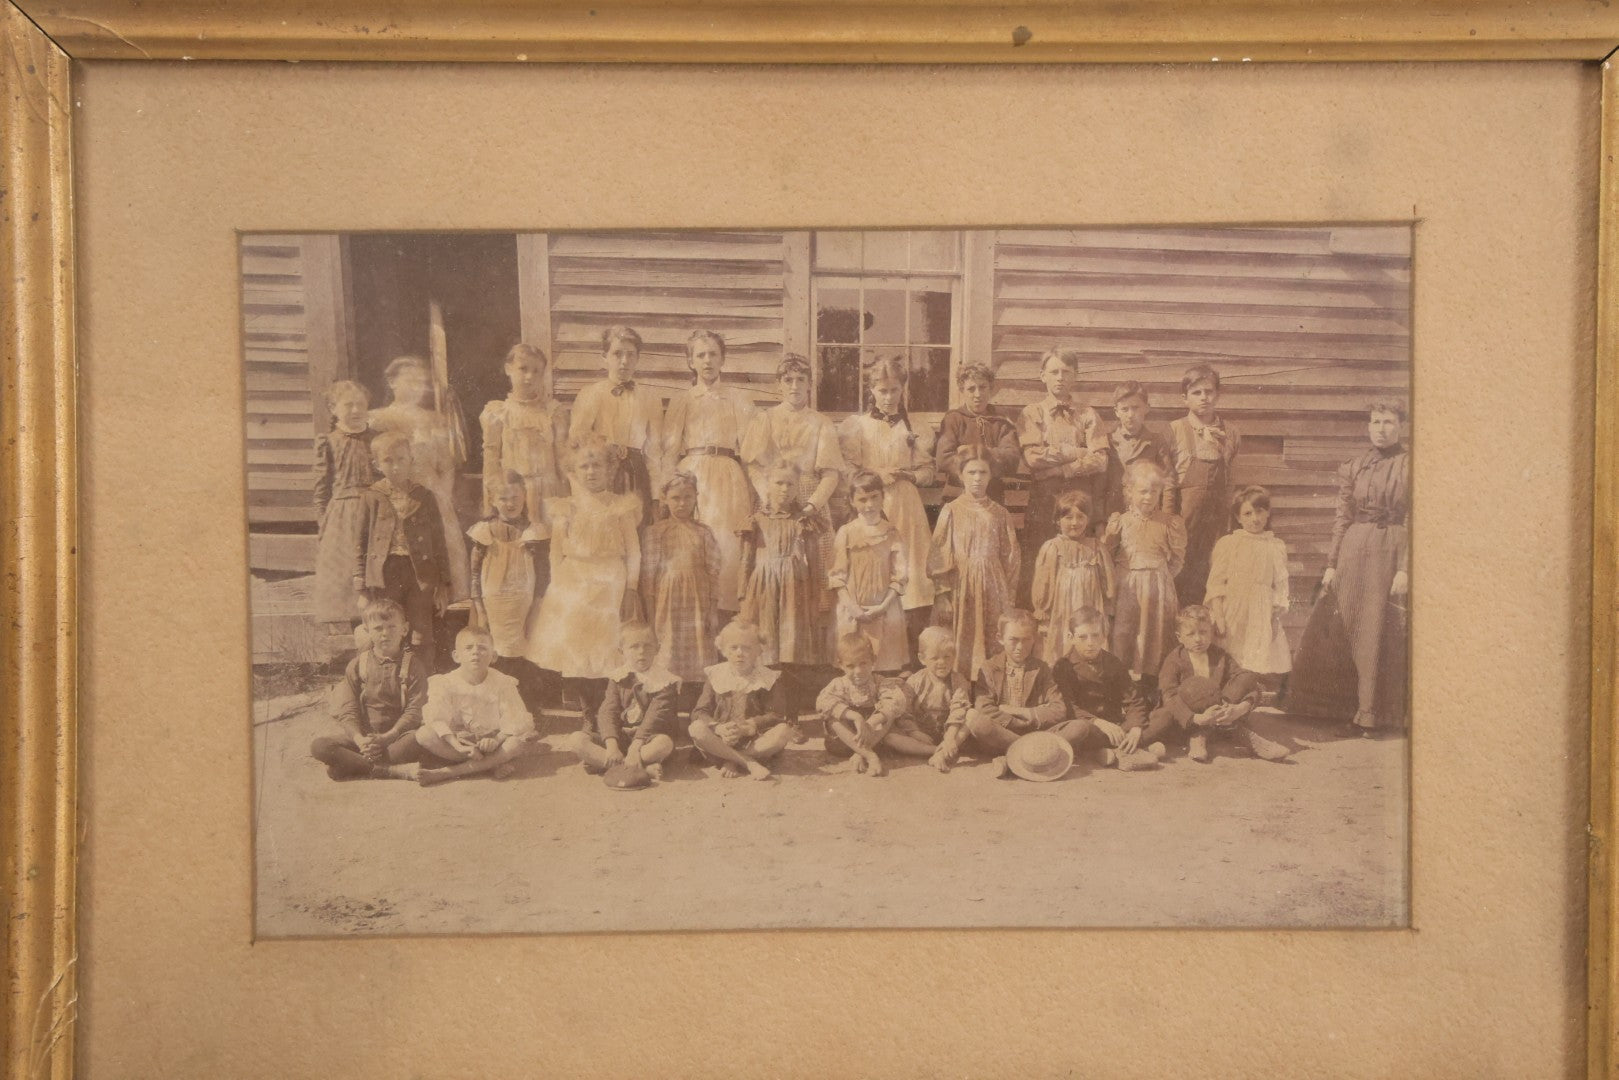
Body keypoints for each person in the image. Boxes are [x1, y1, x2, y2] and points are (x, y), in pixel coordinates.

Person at [1296, 402, 1410, 735]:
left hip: (1393, 550)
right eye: (1375, 421)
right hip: (1354, 551)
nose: (1381, 428)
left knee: (1380, 630)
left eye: (1389, 422)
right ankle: (1340, 710)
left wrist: (1406, 567)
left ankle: (1375, 713)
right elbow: (1342, 518)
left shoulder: (1412, 465)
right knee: (1348, 625)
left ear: (1401, 425)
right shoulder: (1355, 467)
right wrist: (1331, 564)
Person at [525, 433, 643, 725]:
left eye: (597, 466)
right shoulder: (565, 507)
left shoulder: (621, 505)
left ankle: (609, 715)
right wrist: (558, 589)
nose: (591, 472)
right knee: (577, 651)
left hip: (609, 581)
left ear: (610, 470)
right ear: (573, 472)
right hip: (574, 580)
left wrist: (631, 588)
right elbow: (555, 553)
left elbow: (634, 551)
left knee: (606, 650)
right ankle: (589, 716)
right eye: (584, 467)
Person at [740, 353, 846, 646]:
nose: (795, 386)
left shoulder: (820, 422)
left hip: (810, 499)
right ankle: (773, 643)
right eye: (788, 380)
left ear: (810, 385)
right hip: (775, 500)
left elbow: (831, 473)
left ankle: (813, 649)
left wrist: (811, 506)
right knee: (774, 571)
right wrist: (770, 498)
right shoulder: (766, 419)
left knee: (816, 573)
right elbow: (754, 466)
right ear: (779, 385)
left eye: (801, 380)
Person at [839, 354, 937, 643]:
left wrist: (909, 476)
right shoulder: (858, 426)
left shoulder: (913, 426)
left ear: (903, 390)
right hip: (871, 504)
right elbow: (849, 471)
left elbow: (928, 471)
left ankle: (907, 648)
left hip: (906, 506)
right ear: (871, 391)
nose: (889, 397)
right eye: (882, 391)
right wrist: (876, 475)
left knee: (911, 570)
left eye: (895, 390)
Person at [661, 330, 758, 613]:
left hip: (728, 476)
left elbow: (751, 450)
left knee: (726, 545)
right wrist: (668, 490)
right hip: (692, 475)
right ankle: (693, 611)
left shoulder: (737, 399)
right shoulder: (683, 401)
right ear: (690, 361)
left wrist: (754, 493)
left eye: (713, 354)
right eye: (700, 355)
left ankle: (725, 613)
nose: (707, 361)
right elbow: (668, 450)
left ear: (723, 359)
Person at [369, 355, 470, 602]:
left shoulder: (436, 420)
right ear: (392, 382)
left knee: (438, 553)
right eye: (410, 381)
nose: (418, 387)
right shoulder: (377, 418)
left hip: (432, 494)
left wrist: (442, 496)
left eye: (422, 382)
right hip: (393, 495)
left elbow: (446, 466)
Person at [1016, 347, 1107, 601]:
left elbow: (1100, 459)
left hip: (1079, 501)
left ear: (1075, 376)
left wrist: (1061, 468)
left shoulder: (1088, 414)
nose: (1060, 378)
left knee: (1078, 563)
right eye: (1054, 372)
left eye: (1066, 372)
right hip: (1045, 500)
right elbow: (1033, 457)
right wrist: (1076, 451)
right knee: (1043, 559)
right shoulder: (1031, 413)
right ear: (1042, 375)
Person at [309, 599, 430, 781]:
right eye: (378, 628)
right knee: (319, 746)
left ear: (404, 629)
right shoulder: (358, 664)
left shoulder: (413, 665)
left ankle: (354, 765)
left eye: (391, 627)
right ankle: (389, 771)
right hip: (365, 738)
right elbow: (348, 709)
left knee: (420, 739)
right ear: (367, 631)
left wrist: (388, 737)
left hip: (397, 738)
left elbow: (414, 711)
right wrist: (360, 740)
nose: (385, 634)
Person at [356, 431, 450, 665]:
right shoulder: (372, 497)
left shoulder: (424, 496)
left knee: (421, 633)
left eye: (401, 459)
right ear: (377, 464)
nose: (396, 466)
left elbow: (439, 541)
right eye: (388, 461)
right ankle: (389, 683)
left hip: (420, 574)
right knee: (387, 629)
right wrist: (361, 587)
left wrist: (443, 584)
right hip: (385, 574)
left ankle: (421, 687)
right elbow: (360, 541)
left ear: (411, 461)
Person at [1149, 606, 1288, 764]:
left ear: (1212, 633)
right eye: (1191, 634)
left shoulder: (1220, 656)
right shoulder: (1174, 660)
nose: (1198, 639)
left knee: (1247, 676)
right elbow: (1169, 695)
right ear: (1179, 637)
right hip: (1189, 719)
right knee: (1187, 696)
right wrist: (1196, 718)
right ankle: (1216, 735)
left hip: (1218, 715)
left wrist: (1239, 708)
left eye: (1203, 632)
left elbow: (1247, 683)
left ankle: (1203, 735)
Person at [480, 343, 569, 587]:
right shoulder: (498, 412)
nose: (529, 376)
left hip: (548, 493)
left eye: (537, 371)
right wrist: (491, 500)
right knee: (516, 559)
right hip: (513, 496)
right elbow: (491, 458)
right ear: (509, 369)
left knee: (549, 560)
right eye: (523, 369)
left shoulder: (553, 411)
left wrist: (570, 498)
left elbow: (562, 457)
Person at [928, 450, 1021, 680]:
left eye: (983, 472)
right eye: (971, 472)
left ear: (991, 476)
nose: (977, 478)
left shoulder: (1000, 513)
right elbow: (938, 554)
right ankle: (961, 690)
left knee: (992, 639)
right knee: (961, 640)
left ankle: (989, 689)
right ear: (961, 475)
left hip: (993, 586)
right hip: (962, 585)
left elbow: (1011, 557)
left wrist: (1008, 596)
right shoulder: (951, 511)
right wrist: (942, 594)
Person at [414, 626, 537, 785]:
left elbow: (514, 715)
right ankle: (490, 765)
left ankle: (446, 773)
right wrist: (458, 747)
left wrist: (497, 740)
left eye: (482, 648)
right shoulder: (445, 682)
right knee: (423, 734)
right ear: (456, 656)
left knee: (516, 743)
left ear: (493, 656)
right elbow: (438, 718)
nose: (475, 652)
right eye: (469, 648)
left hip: (493, 740)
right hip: (460, 742)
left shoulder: (502, 682)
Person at [962, 610, 1078, 777]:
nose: (1020, 647)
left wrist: (1018, 711)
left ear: (1034, 639)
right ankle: (1033, 754)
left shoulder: (1042, 669)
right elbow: (984, 708)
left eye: (1026, 640)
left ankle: (1012, 758)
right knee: (977, 721)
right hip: (1003, 734)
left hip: (1037, 732)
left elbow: (1059, 710)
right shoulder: (988, 668)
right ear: (1000, 638)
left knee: (1078, 727)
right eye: (1013, 640)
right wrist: (1019, 723)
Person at [569, 325, 664, 523]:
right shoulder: (591, 394)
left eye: (631, 355)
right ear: (604, 357)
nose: (624, 361)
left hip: (637, 476)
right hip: (602, 475)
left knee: (635, 530)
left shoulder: (650, 398)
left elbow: (654, 452)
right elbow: (577, 444)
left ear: (638, 358)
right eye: (617, 354)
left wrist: (655, 497)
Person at [1104, 459, 1186, 682]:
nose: (1148, 497)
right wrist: (1109, 535)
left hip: (1157, 586)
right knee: (1124, 632)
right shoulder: (1121, 521)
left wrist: (1161, 577)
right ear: (1129, 492)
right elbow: (1107, 554)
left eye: (1154, 492)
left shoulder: (1169, 523)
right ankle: (1122, 682)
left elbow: (1177, 559)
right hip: (1127, 585)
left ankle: (1153, 682)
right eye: (1142, 491)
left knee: (1155, 634)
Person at [738, 463, 827, 669]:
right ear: (767, 485)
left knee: (792, 642)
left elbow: (814, 562)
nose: (784, 489)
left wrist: (817, 594)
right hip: (763, 586)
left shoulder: (804, 521)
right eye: (779, 483)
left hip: (794, 586)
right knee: (765, 639)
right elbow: (745, 561)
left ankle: (790, 685)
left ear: (797, 488)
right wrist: (742, 595)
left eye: (790, 484)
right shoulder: (756, 521)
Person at [564, 621, 678, 779]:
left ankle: (611, 765)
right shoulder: (618, 677)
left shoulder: (665, 681)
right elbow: (608, 711)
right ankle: (639, 768)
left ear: (657, 649)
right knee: (576, 740)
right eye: (634, 646)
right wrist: (611, 745)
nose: (642, 652)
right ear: (621, 651)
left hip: (648, 739)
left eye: (648, 646)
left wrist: (635, 748)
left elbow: (655, 718)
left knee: (664, 744)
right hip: (620, 738)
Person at [1050, 607, 1160, 771]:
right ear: (1071, 638)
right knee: (1078, 730)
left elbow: (1133, 699)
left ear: (1104, 636)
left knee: (1160, 718)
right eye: (1082, 637)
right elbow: (1069, 706)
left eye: (1095, 635)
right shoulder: (1063, 666)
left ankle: (1119, 748)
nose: (1090, 642)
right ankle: (1116, 751)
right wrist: (1098, 722)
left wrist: (1135, 728)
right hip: (1088, 725)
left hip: (1116, 725)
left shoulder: (1113, 662)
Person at [1167, 363, 1240, 606]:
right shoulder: (1175, 430)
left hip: (1217, 523)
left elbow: (1230, 481)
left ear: (1217, 395)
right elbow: (1168, 480)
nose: (1204, 398)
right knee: (1181, 579)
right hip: (1184, 523)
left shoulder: (1230, 432)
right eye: (1196, 393)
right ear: (1184, 398)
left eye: (1209, 391)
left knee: (1214, 580)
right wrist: (1168, 523)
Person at [639, 472, 722, 685]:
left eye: (688, 497)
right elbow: (648, 579)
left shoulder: (704, 532)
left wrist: (712, 611)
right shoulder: (656, 532)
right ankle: (667, 696)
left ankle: (697, 698)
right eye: (676, 498)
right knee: (667, 646)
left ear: (696, 497)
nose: (682, 503)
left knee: (699, 647)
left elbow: (713, 573)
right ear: (665, 499)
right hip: (666, 601)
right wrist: (650, 616)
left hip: (698, 599)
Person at [688, 619, 796, 780]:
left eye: (746, 648)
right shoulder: (716, 675)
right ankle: (748, 762)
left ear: (759, 651)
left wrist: (748, 727)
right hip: (721, 739)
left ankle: (732, 760)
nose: (739, 653)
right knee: (696, 728)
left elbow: (777, 714)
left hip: (754, 740)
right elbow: (699, 712)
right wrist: (718, 728)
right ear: (724, 651)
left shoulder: (768, 678)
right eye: (733, 647)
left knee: (784, 731)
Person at [1205, 485, 1292, 679]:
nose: (1255, 518)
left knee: (1255, 656)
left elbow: (1281, 585)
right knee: (1231, 653)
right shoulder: (1229, 543)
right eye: (1248, 513)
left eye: (1260, 512)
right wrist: (1219, 616)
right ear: (1238, 518)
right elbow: (1215, 583)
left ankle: (1248, 690)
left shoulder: (1275, 546)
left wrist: (1276, 615)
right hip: (1233, 607)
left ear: (1268, 513)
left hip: (1262, 608)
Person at [313, 380, 379, 629]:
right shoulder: (328, 442)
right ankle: (347, 637)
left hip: (374, 511)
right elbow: (321, 487)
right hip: (341, 516)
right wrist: (324, 522)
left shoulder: (376, 439)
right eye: (348, 405)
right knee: (344, 575)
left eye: (360, 404)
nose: (355, 410)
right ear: (333, 408)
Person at [829, 471, 908, 674]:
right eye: (862, 499)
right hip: (853, 611)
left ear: (883, 496)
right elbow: (837, 577)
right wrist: (853, 608)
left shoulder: (892, 532)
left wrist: (883, 606)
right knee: (855, 660)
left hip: (885, 609)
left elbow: (899, 576)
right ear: (852, 501)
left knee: (884, 665)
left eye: (874, 497)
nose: (869, 505)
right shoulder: (846, 532)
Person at [1031, 490, 1115, 665]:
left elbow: (1107, 581)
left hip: (1090, 606)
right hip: (1062, 612)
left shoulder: (1097, 547)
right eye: (1068, 518)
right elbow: (1043, 583)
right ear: (1057, 520)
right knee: (1062, 648)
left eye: (1080, 517)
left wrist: (1107, 607)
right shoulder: (1052, 548)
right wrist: (1043, 611)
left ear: (1088, 519)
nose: (1075, 523)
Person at [468, 470, 542, 665]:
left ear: (525, 496)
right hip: (492, 604)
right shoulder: (484, 531)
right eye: (503, 498)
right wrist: (480, 610)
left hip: (523, 605)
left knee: (523, 652)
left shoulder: (533, 532)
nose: (510, 504)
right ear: (492, 500)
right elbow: (475, 574)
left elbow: (543, 576)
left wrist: (536, 608)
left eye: (515, 497)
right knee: (493, 652)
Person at [816, 633, 916, 776]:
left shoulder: (879, 681)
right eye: (850, 666)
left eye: (863, 663)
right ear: (841, 665)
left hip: (873, 737)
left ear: (873, 660)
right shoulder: (839, 684)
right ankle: (870, 756)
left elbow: (894, 701)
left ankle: (861, 753)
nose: (858, 671)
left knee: (889, 715)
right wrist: (856, 717)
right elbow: (822, 703)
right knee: (832, 720)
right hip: (844, 742)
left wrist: (870, 722)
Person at [934, 362, 1021, 503]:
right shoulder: (953, 419)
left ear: (991, 388)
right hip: (957, 494)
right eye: (971, 389)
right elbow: (943, 460)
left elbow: (1011, 460)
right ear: (962, 391)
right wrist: (992, 457)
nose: (978, 394)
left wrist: (968, 451)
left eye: (982, 387)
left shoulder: (1001, 422)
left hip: (992, 495)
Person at [900, 626, 974, 772]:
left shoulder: (958, 680)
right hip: (921, 735)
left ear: (954, 656)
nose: (942, 662)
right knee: (891, 737)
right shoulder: (915, 680)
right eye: (935, 658)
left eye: (947, 657)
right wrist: (914, 732)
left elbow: (959, 709)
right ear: (922, 659)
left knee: (972, 717)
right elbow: (904, 710)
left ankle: (943, 751)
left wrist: (950, 737)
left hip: (951, 733)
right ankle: (934, 751)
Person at [1101, 381, 1173, 522]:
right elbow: (1099, 486)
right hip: (1114, 514)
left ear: (1147, 408)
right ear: (1116, 411)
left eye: (1136, 408)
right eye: (1124, 409)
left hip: (1148, 514)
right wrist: (1099, 523)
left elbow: (1168, 481)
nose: (1130, 415)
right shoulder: (1107, 441)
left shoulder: (1156, 441)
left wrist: (1167, 516)